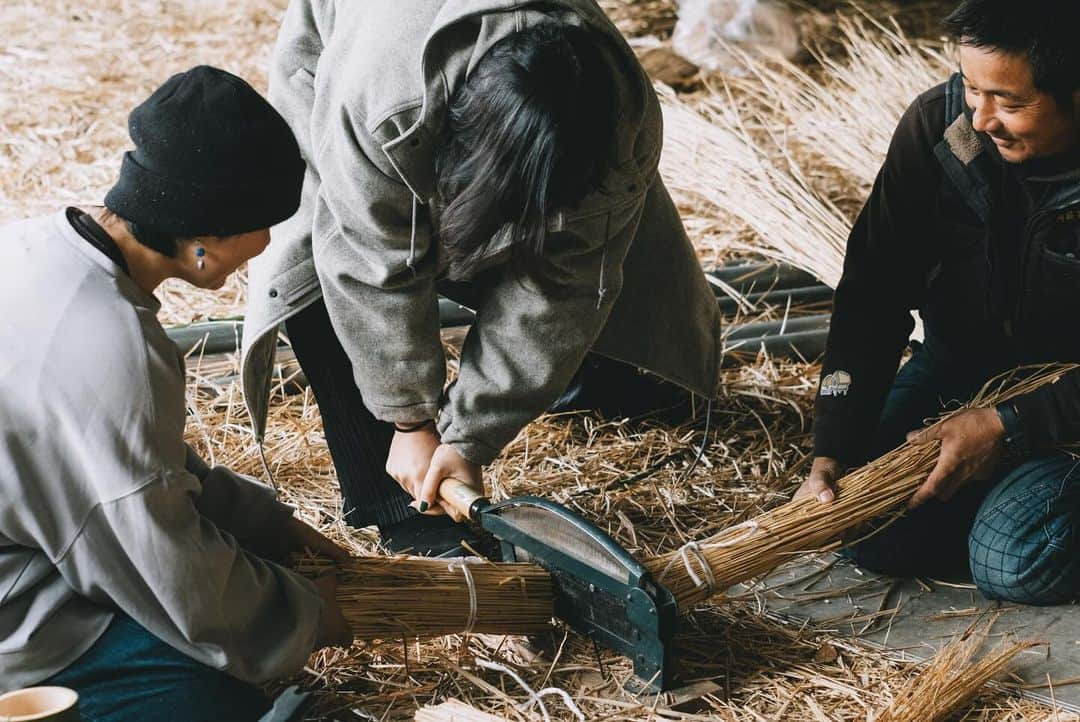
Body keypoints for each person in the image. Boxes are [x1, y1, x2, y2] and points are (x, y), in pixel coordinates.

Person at [241, 0, 724, 556]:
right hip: (358, 53)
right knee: (313, 260)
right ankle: (404, 510)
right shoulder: (383, 100)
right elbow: (369, 262)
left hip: (537, 122)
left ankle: (599, 382)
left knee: (598, 282)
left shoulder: (622, 114)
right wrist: (409, 421)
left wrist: (470, 434)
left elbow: (567, 284)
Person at [0, 66, 352, 721]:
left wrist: (268, 528)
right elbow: (164, 566)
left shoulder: (36, 246)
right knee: (215, 699)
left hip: (22, 541)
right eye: (262, 223)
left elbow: (131, 464)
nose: (269, 244)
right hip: (13, 621)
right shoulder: (112, 348)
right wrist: (303, 616)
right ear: (204, 238)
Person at [796, 0, 1080, 605]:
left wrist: (1013, 426)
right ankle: (1000, 489)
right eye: (970, 88)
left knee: (1015, 561)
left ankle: (1012, 496)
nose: (980, 120)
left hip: (1070, 399)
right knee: (864, 529)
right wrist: (834, 446)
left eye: (1009, 102)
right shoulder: (941, 127)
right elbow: (874, 290)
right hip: (966, 369)